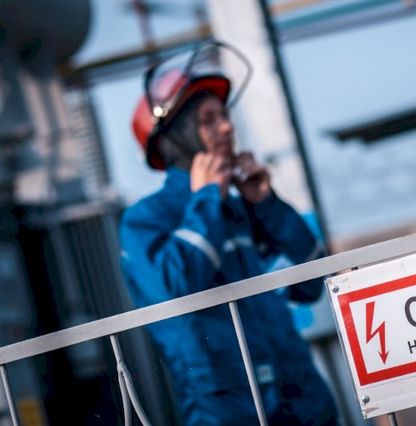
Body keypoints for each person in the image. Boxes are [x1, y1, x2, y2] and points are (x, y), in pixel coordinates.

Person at [119, 42, 338, 425]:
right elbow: (177, 288)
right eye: (208, 120)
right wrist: (206, 197)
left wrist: (267, 203)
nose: (226, 127)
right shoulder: (147, 219)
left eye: (224, 115)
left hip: (303, 400)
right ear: (172, 139)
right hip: (228, 412)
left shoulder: (243, 209)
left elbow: (309, 284)